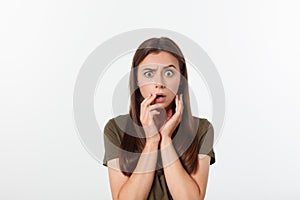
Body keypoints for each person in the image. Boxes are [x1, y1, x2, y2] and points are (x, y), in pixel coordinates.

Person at [103, 37, 216, 200]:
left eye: (169, 73)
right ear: (136, 80)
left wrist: (166, 140)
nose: (159, 83)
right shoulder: (115, 129)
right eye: (149, 73)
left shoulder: (202, 129)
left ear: (181, 80)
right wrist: (152, 140)